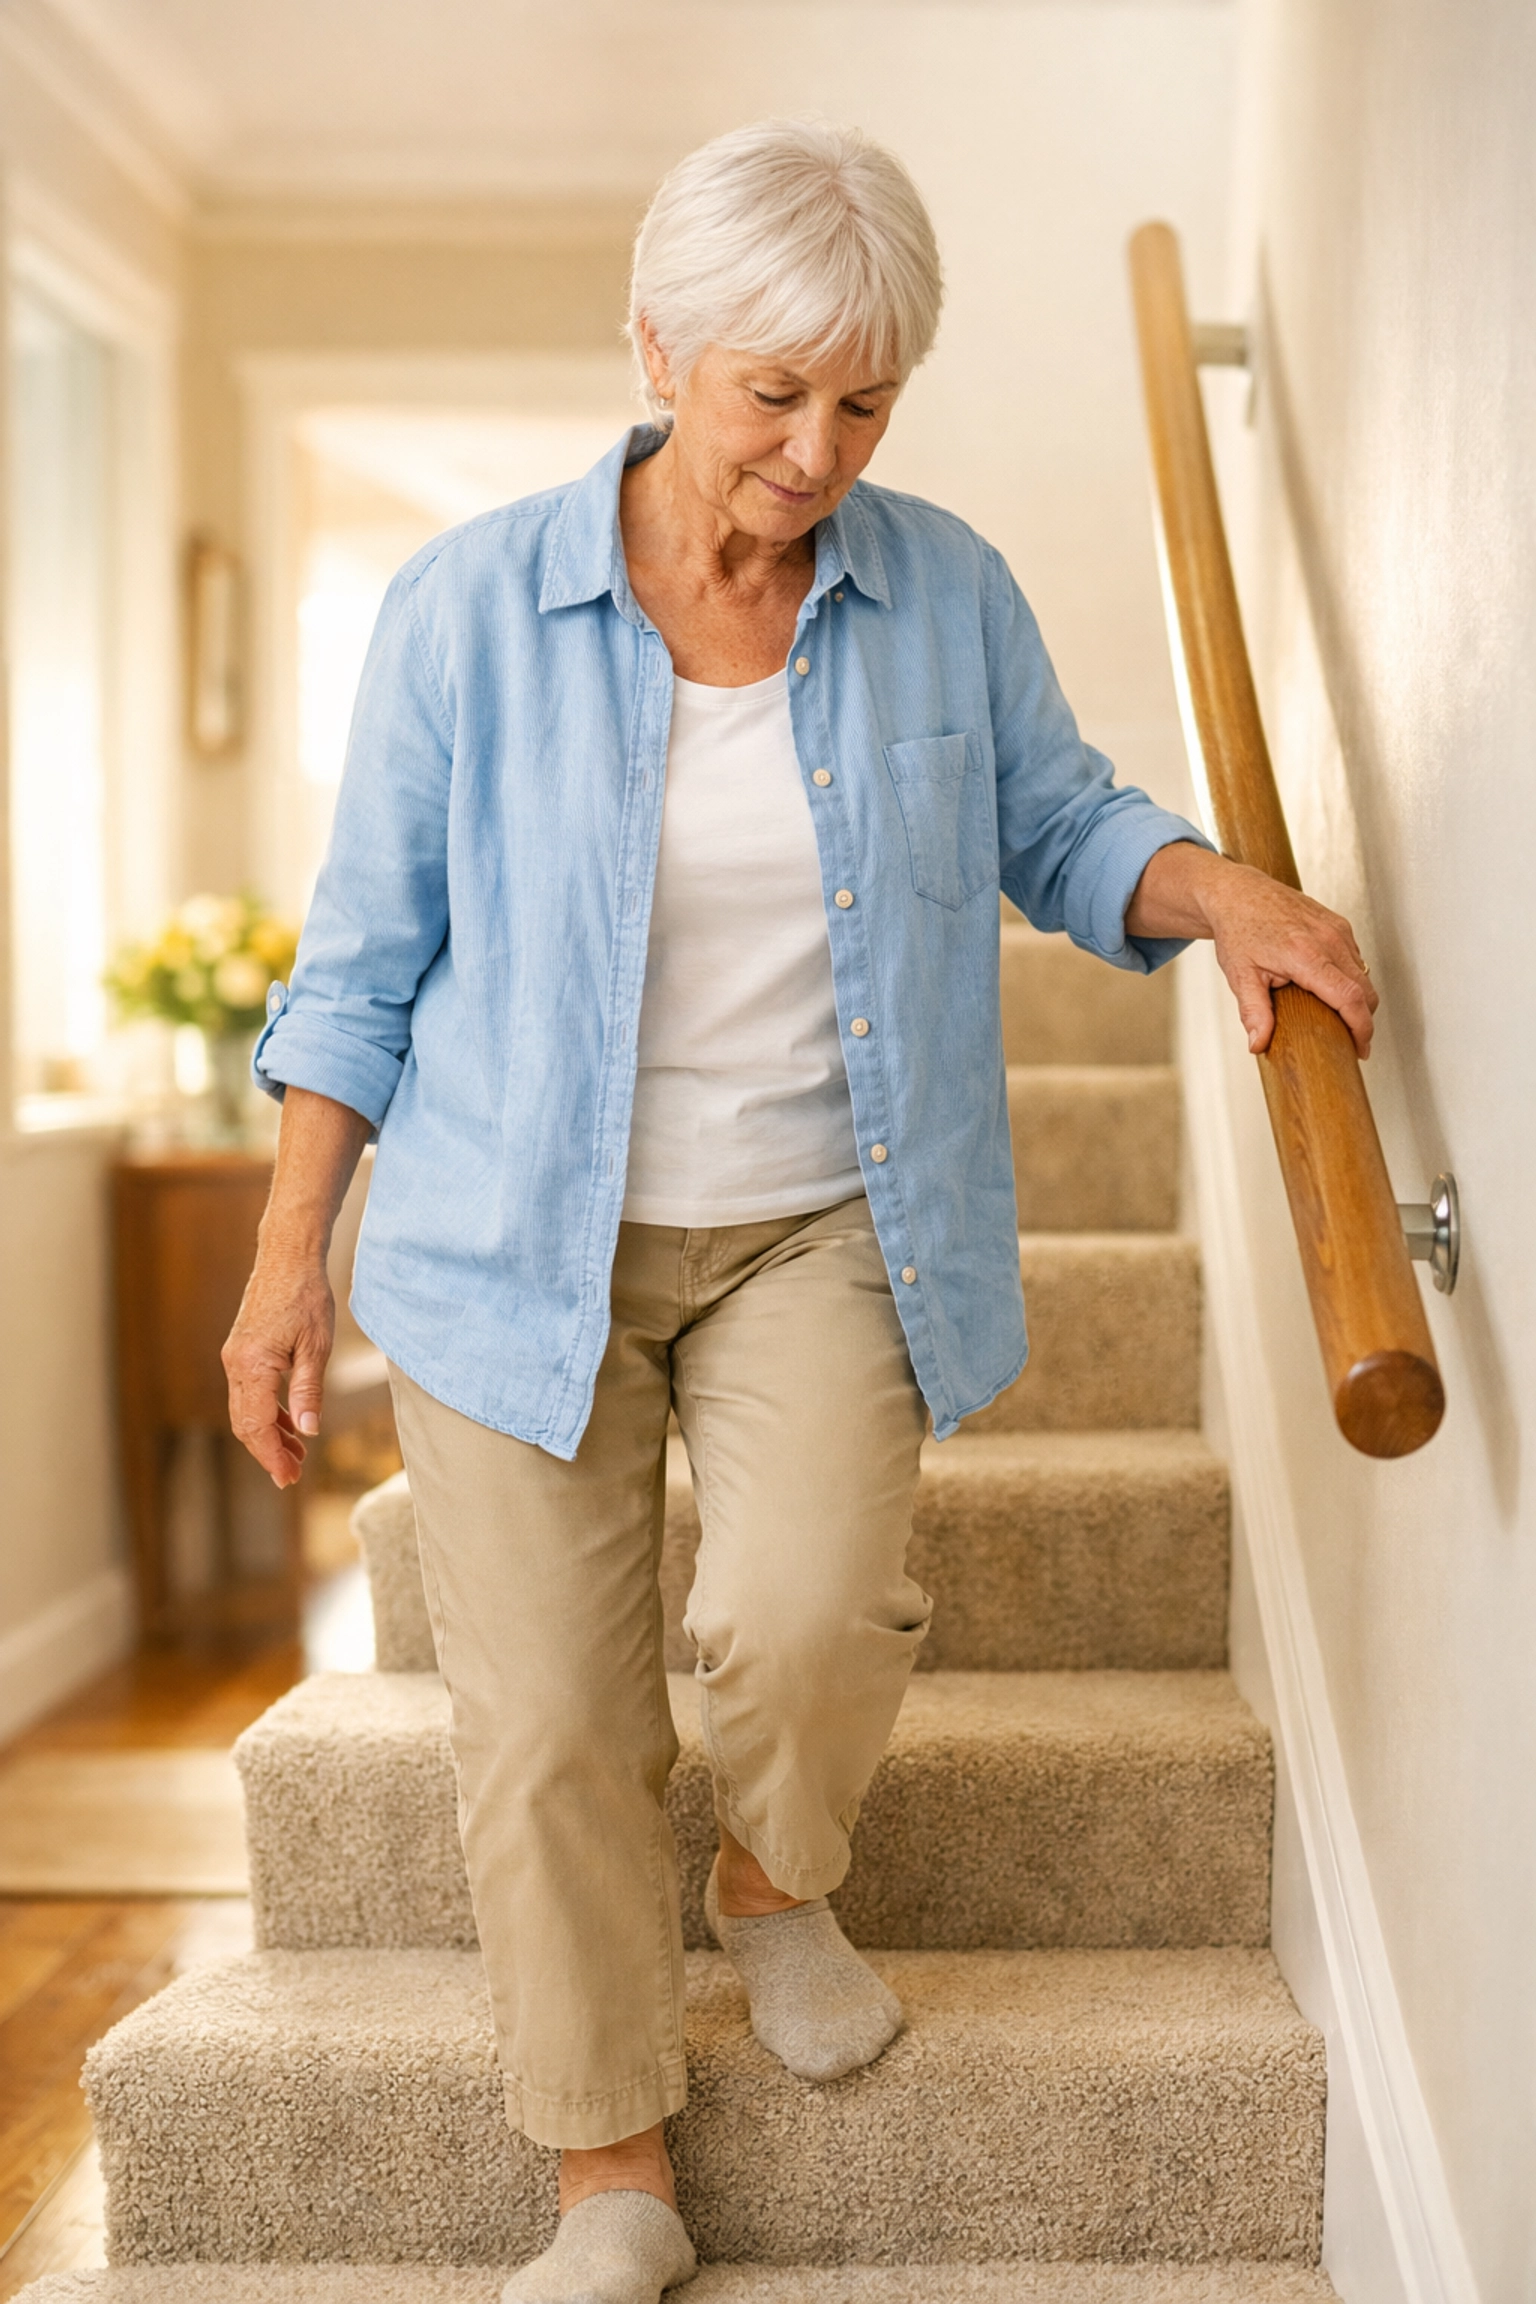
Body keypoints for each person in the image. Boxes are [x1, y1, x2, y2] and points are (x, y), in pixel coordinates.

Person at [224, 119, 1376, 2304]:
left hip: (819, 1222)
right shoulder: (467, 608)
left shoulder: (937, 586)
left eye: (865, 402)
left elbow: (1057, 819)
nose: (817, 448)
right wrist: (292, 1267)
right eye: (772, 394)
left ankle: (773, 1876)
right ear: (655, 347)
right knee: (552, 1726)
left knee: (817, 1608)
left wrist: (1215, 887)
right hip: (503, 1241)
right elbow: (358, 968)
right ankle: (611, 2177)